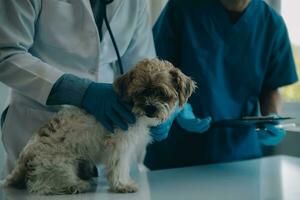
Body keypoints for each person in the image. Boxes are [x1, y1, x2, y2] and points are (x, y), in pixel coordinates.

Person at [0, 0, 158, 177]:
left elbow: (142, 64)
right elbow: (6, 53)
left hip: (108, 142)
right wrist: (80, 90)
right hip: (43, 126)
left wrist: (159, 109)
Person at [145, 0, 298, 170]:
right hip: (178, 154)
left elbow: (271, 87)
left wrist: (272, 119)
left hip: (241, 158)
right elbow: (155, 69)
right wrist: (178, 109)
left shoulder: (272, 24)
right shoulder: (181, 8)